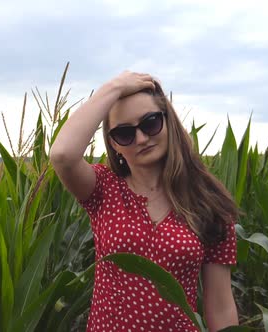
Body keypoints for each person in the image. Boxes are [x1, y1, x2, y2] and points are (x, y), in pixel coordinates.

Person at [50, 71, 239, 331]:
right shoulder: (103, 189)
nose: (140, 138)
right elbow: (62, 154)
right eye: (124, 133)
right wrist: (114, 86)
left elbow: (220, 306)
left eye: (150, 123)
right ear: (114, 144)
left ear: (168, 121)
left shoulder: (208, 202)